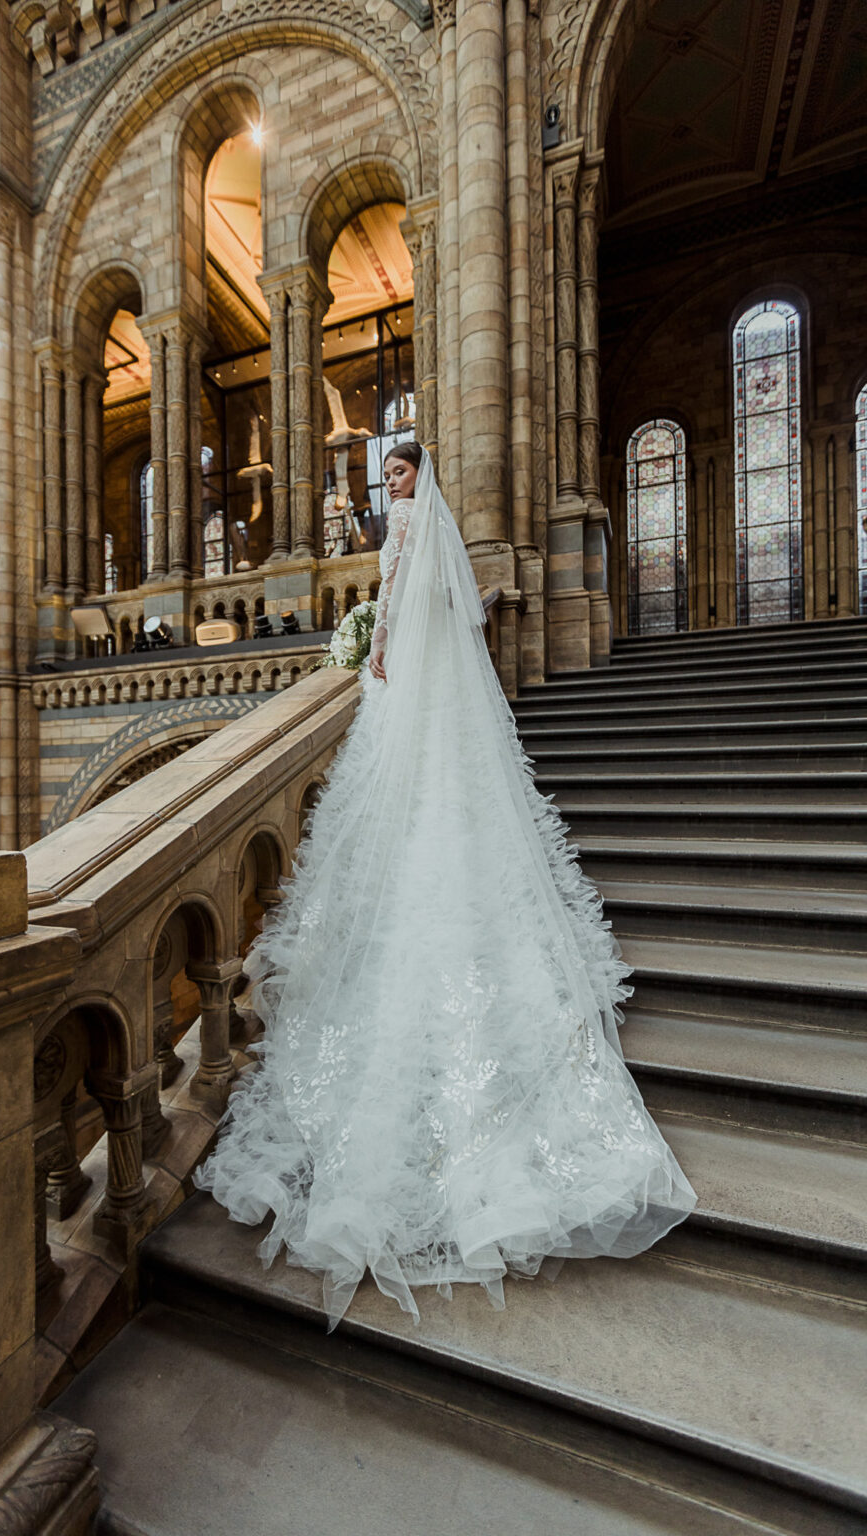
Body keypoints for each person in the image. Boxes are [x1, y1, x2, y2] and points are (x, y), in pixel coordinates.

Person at [193, 442, 696, 1330]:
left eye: (397, 476)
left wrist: (370, 649)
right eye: (386, 478)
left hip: (401, 691)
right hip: (434, 694)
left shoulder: (406, 526)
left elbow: (393, 606)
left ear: (414, 478)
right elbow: (448, 609)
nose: (391, 488)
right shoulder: (434, 524)